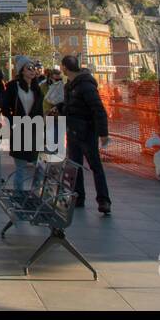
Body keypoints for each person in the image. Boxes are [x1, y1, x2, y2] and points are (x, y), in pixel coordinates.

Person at [60, 53, 111, 214]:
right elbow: (71, 107)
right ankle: (78, 197)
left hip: (87, 132)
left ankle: (104, 200)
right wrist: (60, 110)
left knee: (95, 166)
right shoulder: (69, 85)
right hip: (73, 131)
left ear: (65, 68)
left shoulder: (85, 85)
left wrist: (103, 134)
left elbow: (98, 109)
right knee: (75, 167)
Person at [4, 56, 46, 192]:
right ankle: (19, 193)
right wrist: (11, 120)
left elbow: (39, 109)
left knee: (39, 165)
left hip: (34, 129)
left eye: (34, 68)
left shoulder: (37, 88)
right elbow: (5, 106)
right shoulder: (12, 86)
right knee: (20, 166)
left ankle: (36, 191)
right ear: (21, 70)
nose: (32, 70)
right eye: (29, 68)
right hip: (19, 128)